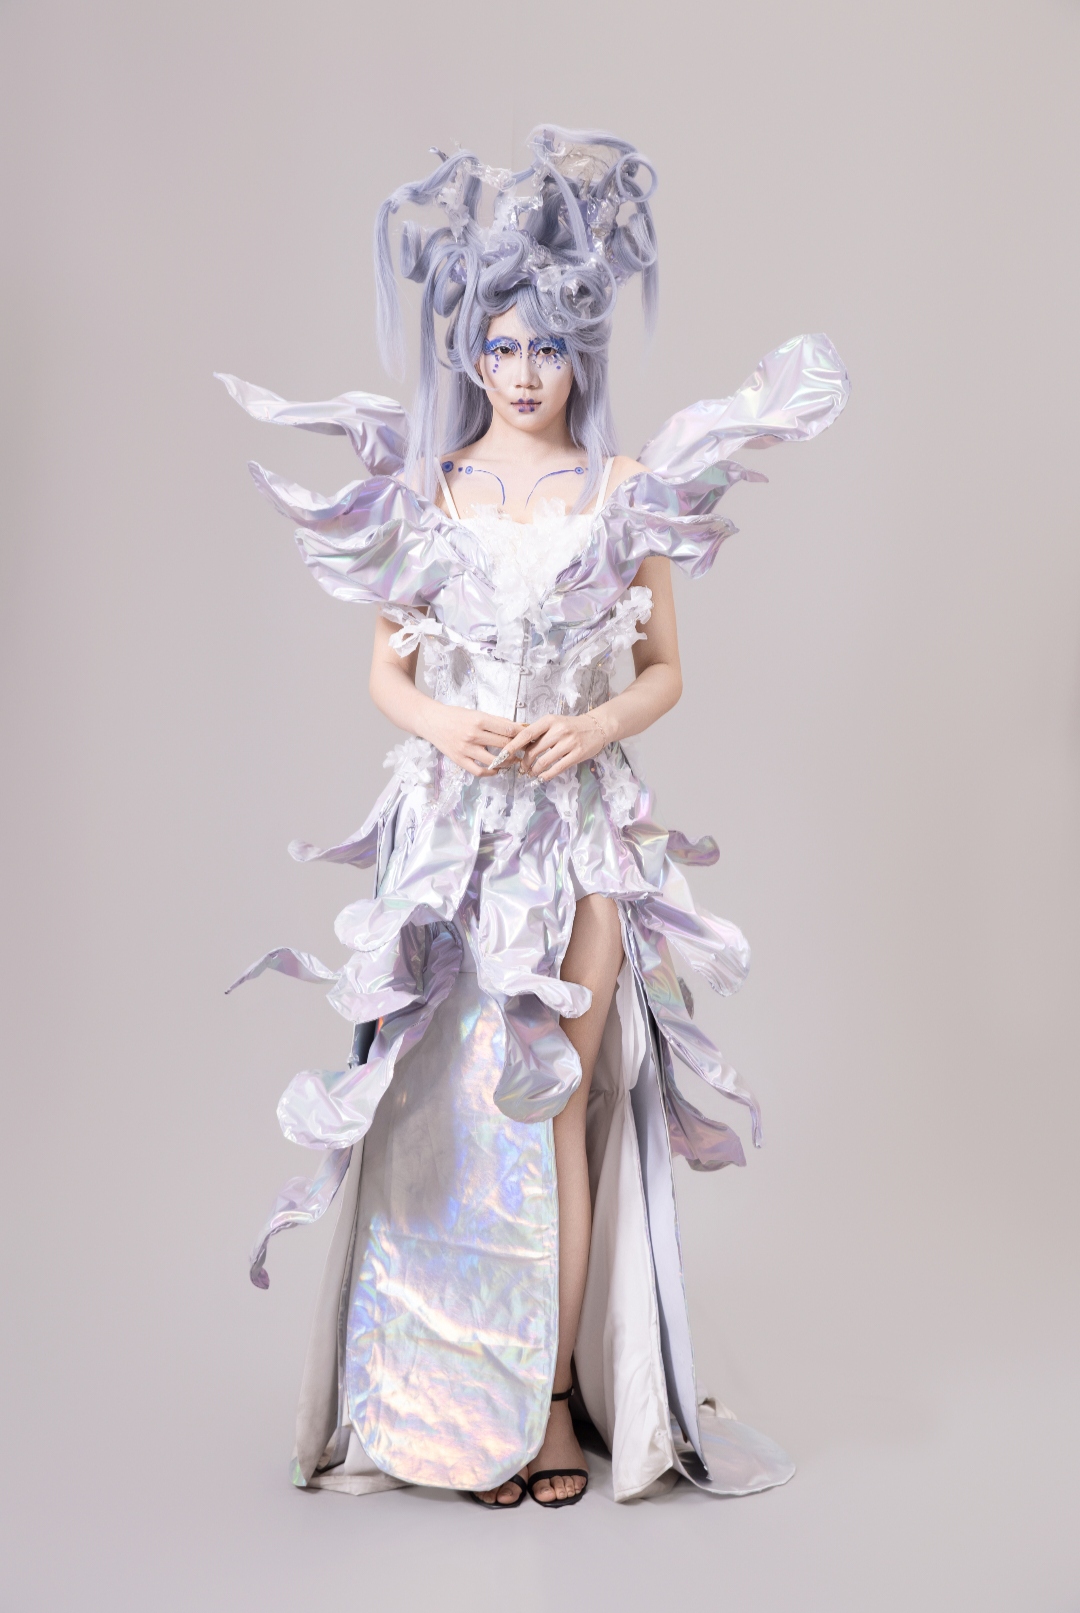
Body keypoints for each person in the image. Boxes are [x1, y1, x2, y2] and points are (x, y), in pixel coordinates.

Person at [219, 126, 848, 1508]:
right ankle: (446, 1409)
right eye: (500, 345)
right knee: (440, 1117)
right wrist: (442, 724)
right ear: (468, 349)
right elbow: (387, 670)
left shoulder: (622, 495)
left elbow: (665, 669)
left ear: (580, 356)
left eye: (548, 347)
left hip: (580, 837)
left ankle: (552, 1405)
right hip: (451, 836)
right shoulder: (429, 493)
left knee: (556, 1104)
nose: (521, 371)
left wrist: (594, 725)